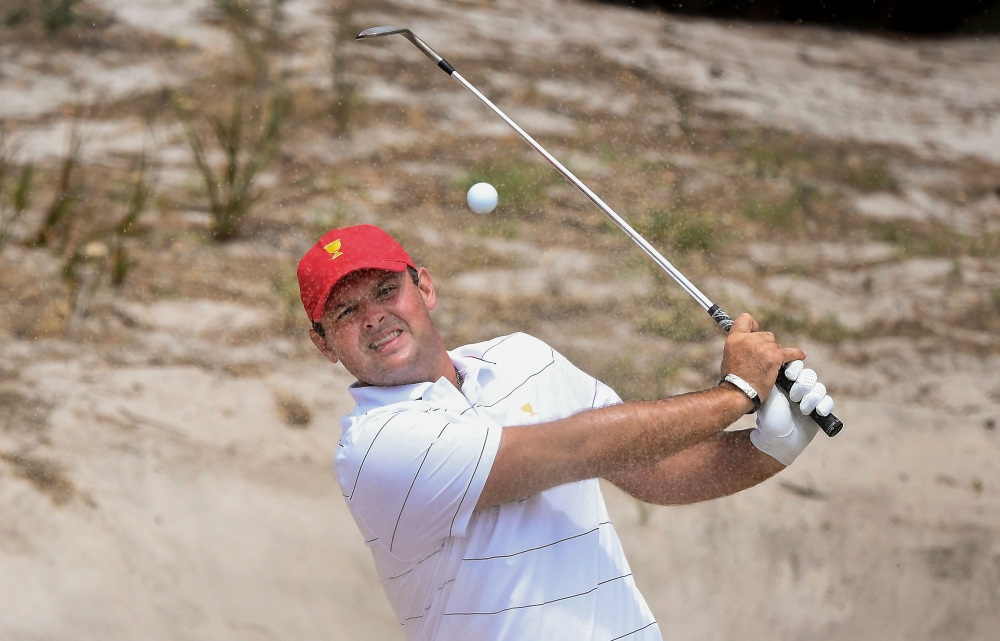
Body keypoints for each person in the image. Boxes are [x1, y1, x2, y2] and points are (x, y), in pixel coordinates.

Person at [297, 224, 834, 641]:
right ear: (324, 344)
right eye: (346, 311)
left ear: (425, 287)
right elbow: (572, 449)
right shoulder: (374, 447)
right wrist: (736, 394)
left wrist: (771, 448)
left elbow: (657, 473)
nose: (373, 316)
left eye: (387, 290)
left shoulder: (523, 357)